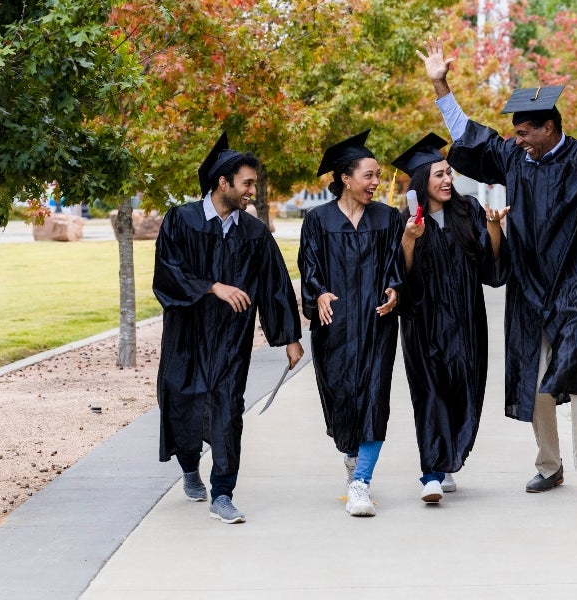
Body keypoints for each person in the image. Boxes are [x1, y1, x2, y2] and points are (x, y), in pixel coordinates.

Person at [417, 39, 577, 496]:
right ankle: (550, 465)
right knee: (533, 379)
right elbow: (472, 137)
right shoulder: (515, 159)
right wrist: (441, 86)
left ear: (549, 127)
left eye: (524, 132)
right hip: (529, 285)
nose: (517, 140)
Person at [153, 132, 304, 524]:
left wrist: (290, 338)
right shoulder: (181, 220)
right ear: (223, 182)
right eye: (247, 183)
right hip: (186, 334)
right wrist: (212, 287)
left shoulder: (253, 233)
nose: (253, 191)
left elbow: (274, 284)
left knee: (227, 410)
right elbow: (168, 272)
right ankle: (189, 467)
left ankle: (222, 493)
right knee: (182, 403)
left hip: (231, 339)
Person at [393, 133, 507, 504]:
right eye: (439, 174)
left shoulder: (468, 210)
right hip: (423, 322)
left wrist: (494, 227)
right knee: (430, 394)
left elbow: (490, 267)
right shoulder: (404, 221)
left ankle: (446, 461)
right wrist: (410, 239)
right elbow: (400, 275)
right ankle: (431, 472)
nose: (447, 180)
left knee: (463, 391)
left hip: (466, 320)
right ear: (421, 181)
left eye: (448, 173)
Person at [298, 130, 404, 517]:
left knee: (374, 400)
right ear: (346, 178)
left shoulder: (388, 218)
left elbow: (397, 264)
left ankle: (361, 482)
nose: (375, 182)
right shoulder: (318, 220)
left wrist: (394, 289)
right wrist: (319, 294)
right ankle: (352, 456)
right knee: (341, 401)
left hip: (376, 325)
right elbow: (309, 267)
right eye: (368, 175)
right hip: (335, 328)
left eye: (378, 176)